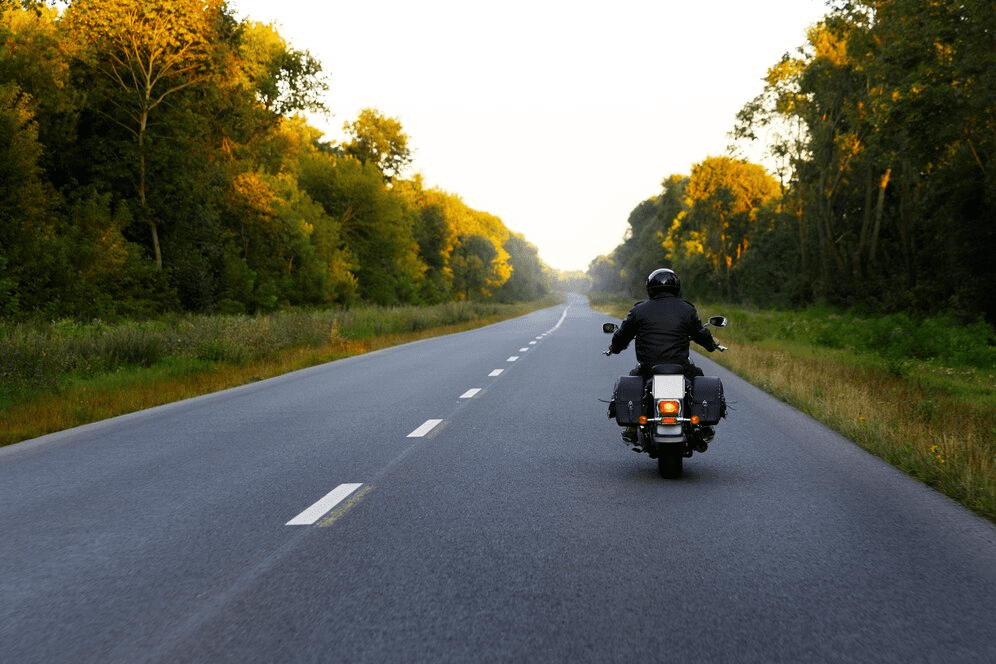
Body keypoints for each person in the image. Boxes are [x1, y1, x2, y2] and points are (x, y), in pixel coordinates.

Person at [606, 268, 718, 444]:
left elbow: (622, 335)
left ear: (650, 288)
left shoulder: (639, 310)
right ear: (676, 287)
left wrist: (615, 347)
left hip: (648, 368)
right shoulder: (687, 309)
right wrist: (712, 345)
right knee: (699, 377)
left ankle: (631, 428)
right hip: (680, 367)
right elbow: (700, 333)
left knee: (632, 381)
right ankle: (704, 425)